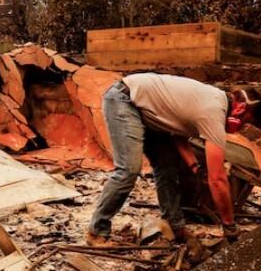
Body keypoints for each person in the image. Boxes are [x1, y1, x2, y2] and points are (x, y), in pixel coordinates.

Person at [87, 72, 250, 246]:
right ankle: (97, 231)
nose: (245, 127)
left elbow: (177, 132)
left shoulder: (214, 101)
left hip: (145, 107)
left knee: (167, 165)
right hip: (125, 99)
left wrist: (195, 167)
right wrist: (229, 225)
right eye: (247, 121)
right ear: (240, 109)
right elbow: (217, 179)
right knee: (128, 170)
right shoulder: (214, 112)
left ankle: (175, 226)